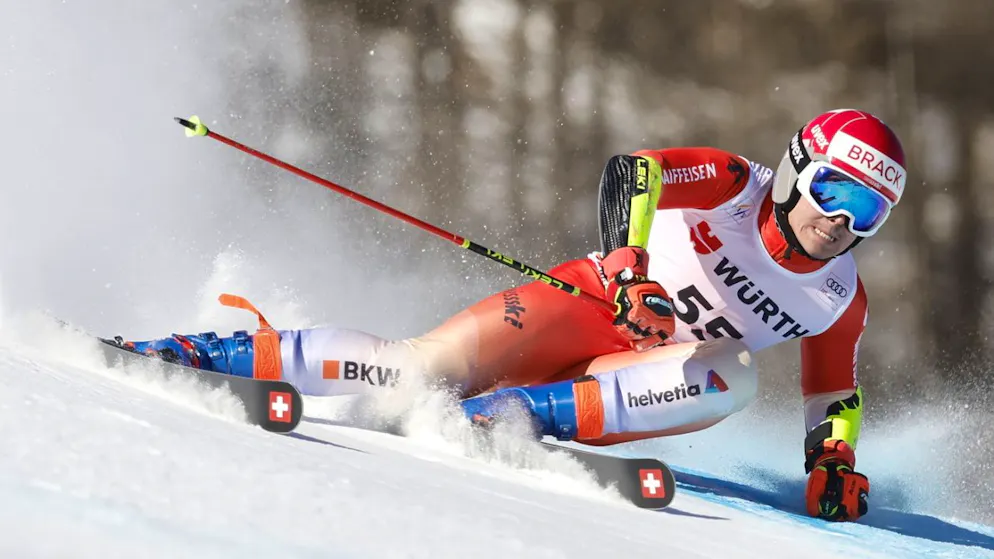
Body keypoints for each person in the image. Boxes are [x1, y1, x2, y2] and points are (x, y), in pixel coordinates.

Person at [120, 109, 906, 522]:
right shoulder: (735, 182)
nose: (842, 220)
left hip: (636, 379)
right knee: (412, 369)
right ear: (801, 168)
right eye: (835, 189)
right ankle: (191, 352)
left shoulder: (838, 294)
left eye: (868, 208)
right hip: (582, 307)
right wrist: (630, 272)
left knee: (731, 376)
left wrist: (831, 464)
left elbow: (830, 390)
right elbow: (636, 173)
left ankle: (506, 418)